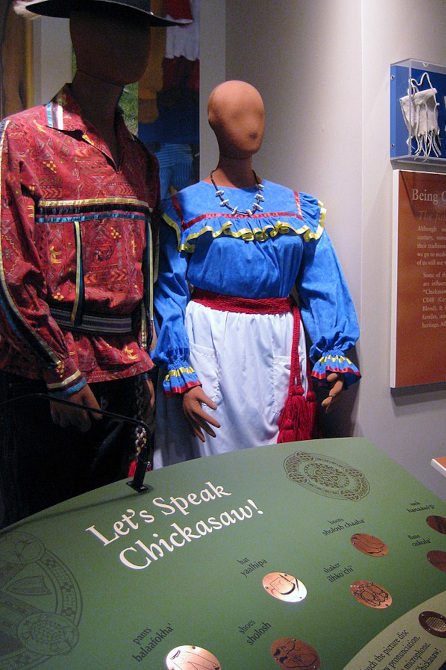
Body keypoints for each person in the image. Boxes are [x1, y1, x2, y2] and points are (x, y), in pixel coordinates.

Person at [0, 0, 189, 528]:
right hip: (48, 382)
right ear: (80, 31)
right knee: (40, 539)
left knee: (114, 534)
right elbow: (8, 270)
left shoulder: (140, 160)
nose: (137, 42)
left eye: (144, 28)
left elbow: (145, 276)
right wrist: (57, 373)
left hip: (123, 378)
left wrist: (144, 364)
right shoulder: (24, 138)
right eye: (118, 23)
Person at [152, 80, 360, 466]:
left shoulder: (298, 208)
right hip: (209, 345)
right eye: (236, 114)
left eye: (258, 114)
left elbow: (323, 284)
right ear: (214, 122)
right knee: (210, 469)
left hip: (278, 345)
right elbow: (169, 293)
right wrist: (180, 371)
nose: (251, 125)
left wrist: (332, 353)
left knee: (275, 467)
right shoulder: (185, 207)